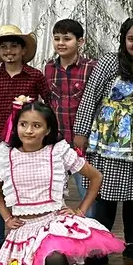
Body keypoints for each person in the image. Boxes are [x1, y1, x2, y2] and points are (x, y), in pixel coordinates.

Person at [0, 100, 124, 265]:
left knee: (52, 255)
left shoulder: (58, 152)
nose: (28, 131)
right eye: (23, 124)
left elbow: (96, 177)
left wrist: (80, 210)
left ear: (48, 129)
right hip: (24, 227)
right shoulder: (4, 155)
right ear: (16, 126)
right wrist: (6, 217)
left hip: (53, 222)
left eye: (36, 125)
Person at [73, 17, 133, 265]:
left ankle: (131, 244)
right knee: (106, 192)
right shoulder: (110, 62)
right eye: (131, 39)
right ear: (123, 40)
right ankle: (101, 248)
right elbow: (90, 96)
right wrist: (81, 132)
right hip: (109, 136)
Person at [0, 25, 50, 258]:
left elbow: (48, 105)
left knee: (27, 188)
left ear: (23, 50)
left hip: (27, 143)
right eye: (4, 47)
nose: (9, 51)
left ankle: (29, 237)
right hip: (0, 142)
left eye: (14, 46)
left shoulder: (35, 76)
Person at [43, 18, 96, 217]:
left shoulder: (91, 67)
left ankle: (90, 230)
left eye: (67, 38)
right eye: (57, 38)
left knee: (86, 189)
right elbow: (48, 103)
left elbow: (96, 104)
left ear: (80, 41)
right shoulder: (49, 68)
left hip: (84, 142)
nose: (61, 43)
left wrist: (87, 134)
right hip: (57, 141)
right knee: (55, 190)